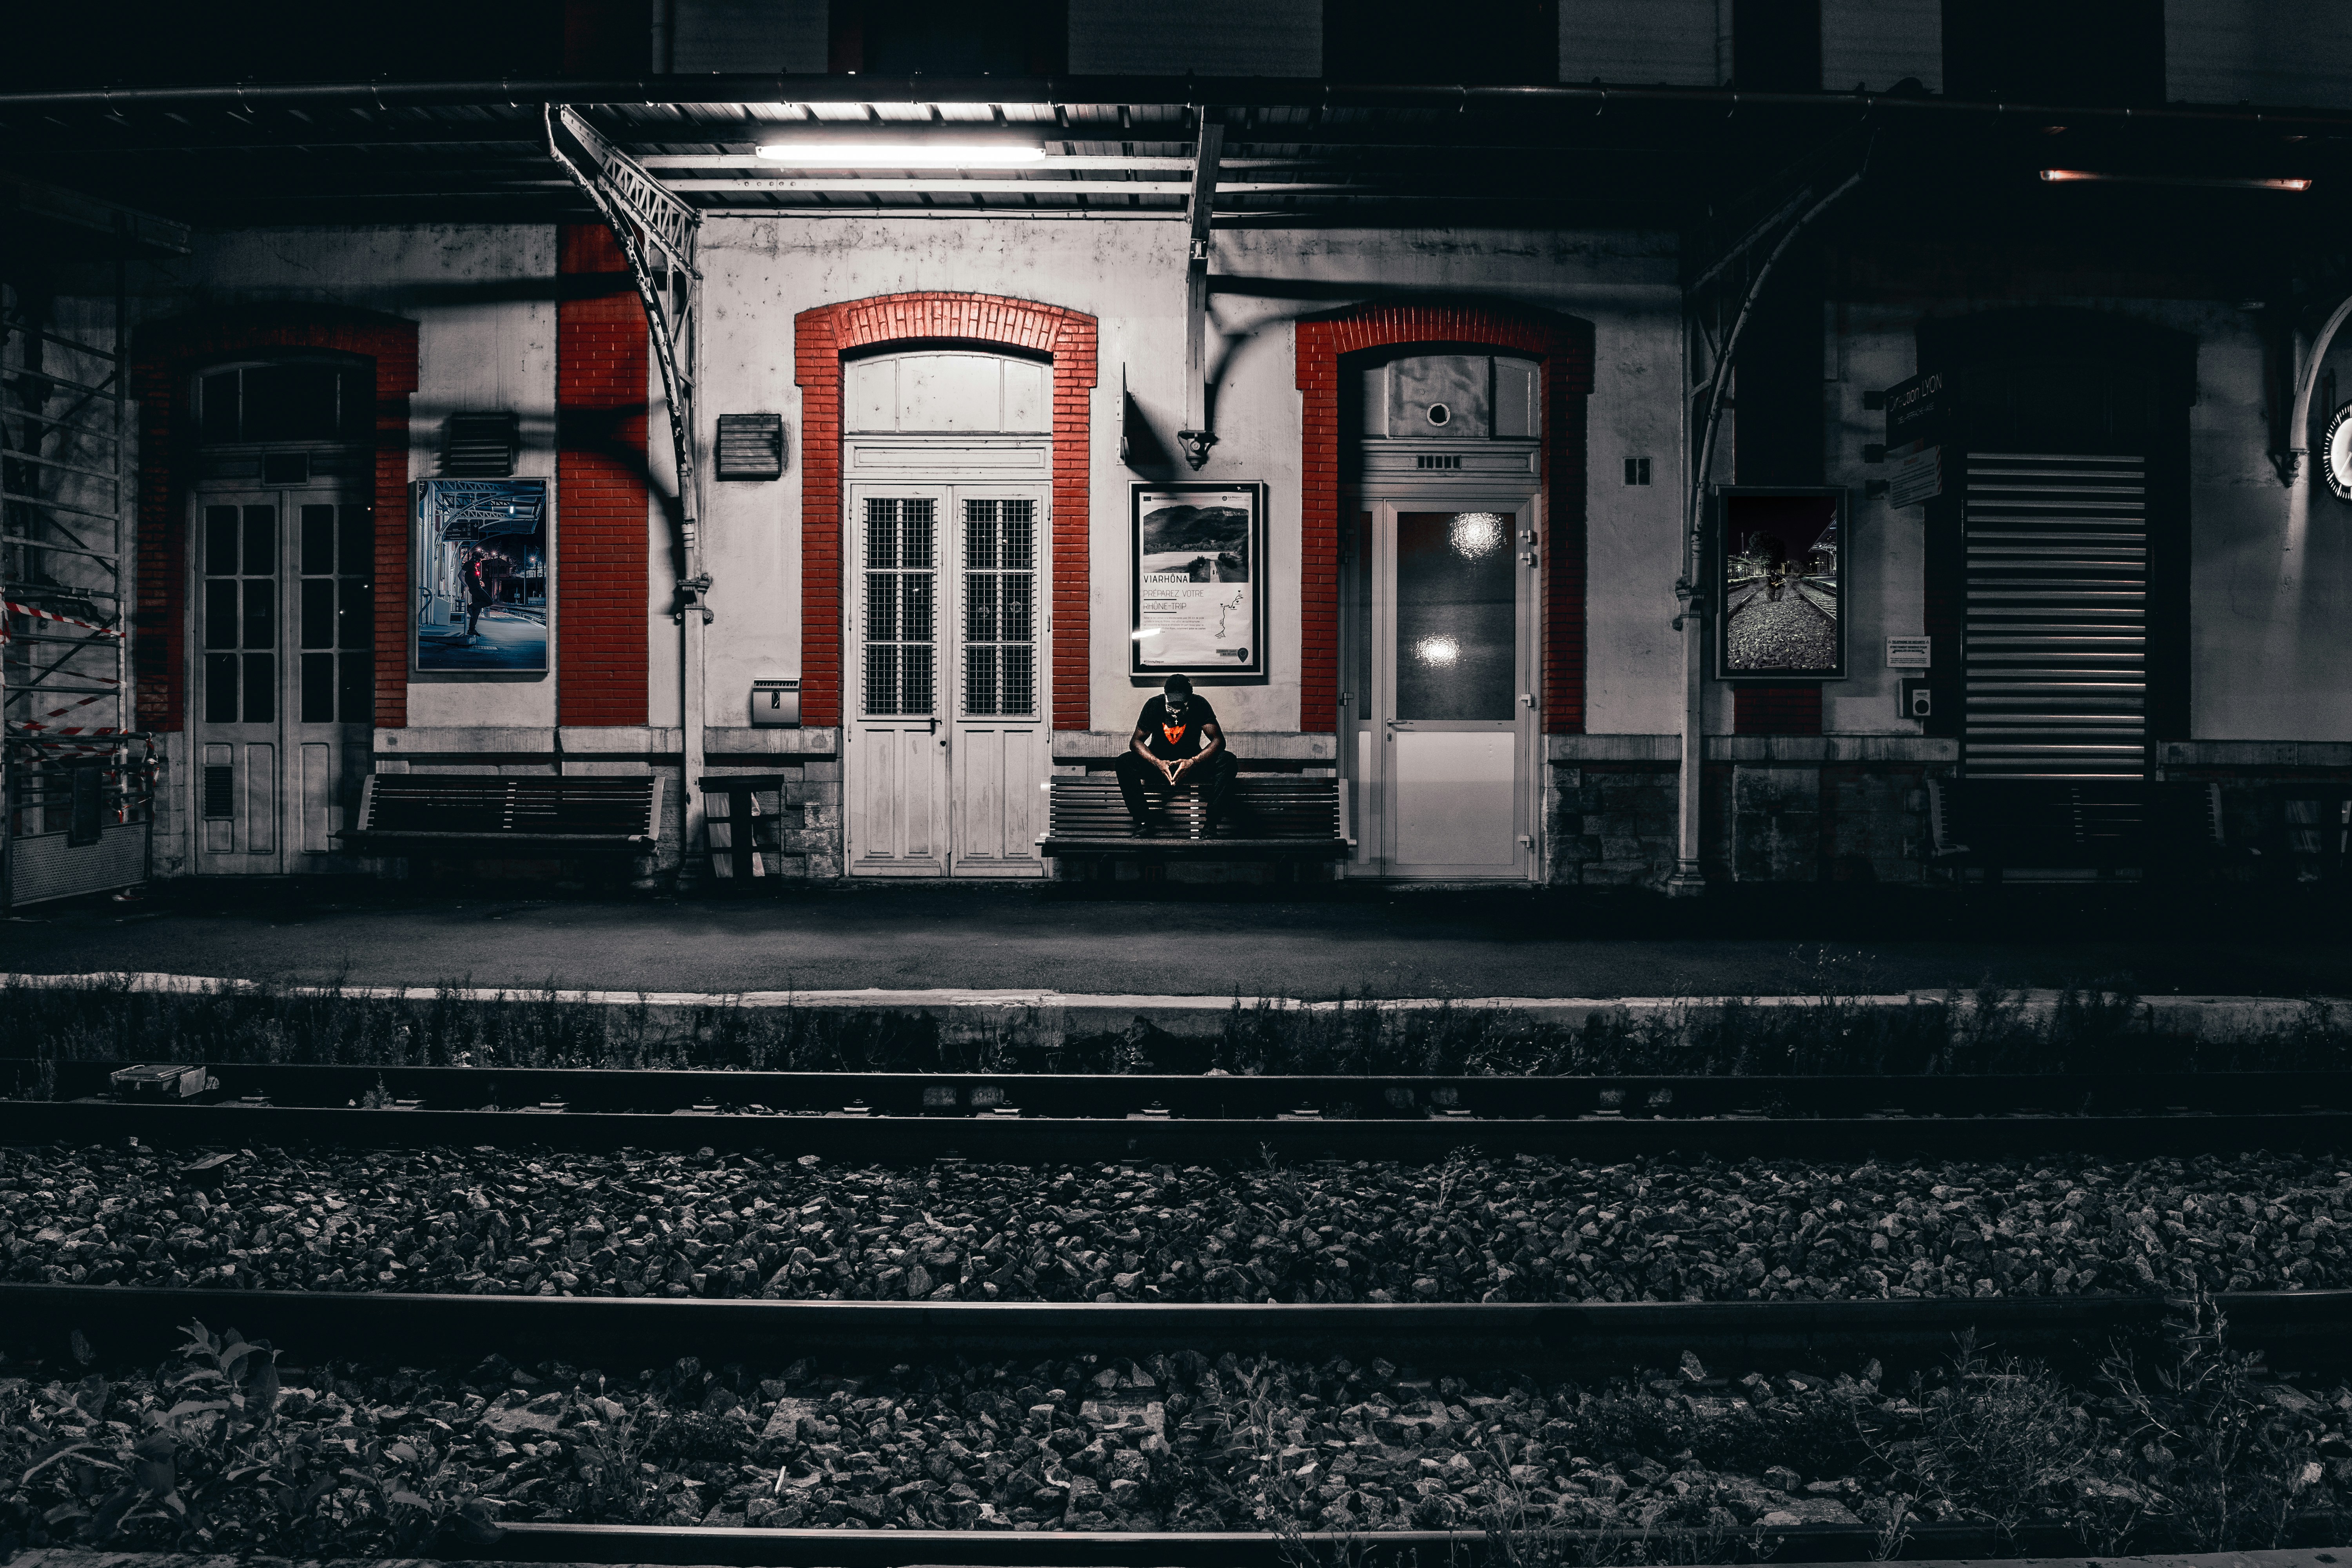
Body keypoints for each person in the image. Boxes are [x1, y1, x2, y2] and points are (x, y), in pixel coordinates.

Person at [1115, 673, 1239, 835]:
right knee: (1124, 762)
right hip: (1159, 767)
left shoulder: (1199, 704)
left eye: (1181, 701)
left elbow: (1218, 741)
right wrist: (1157, 762)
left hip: (1191, 767)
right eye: (1172, 700)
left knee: (1228, 760)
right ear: (1165, 694)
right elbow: (1136, 742)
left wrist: (1194, 762)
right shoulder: (1154, 705)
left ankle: (1211, 826)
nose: (1176, 706)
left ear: (1190, 695)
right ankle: (1143, 823)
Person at [461, 547, 497, 641]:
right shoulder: (469, 564)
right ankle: (471, 607)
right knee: (489, 601)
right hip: (476, 589)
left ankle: (471, 629)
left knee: (477, 611)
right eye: (479, 558)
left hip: (476, 588)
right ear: (475, 558)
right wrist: (466, 585)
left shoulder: (474, 565)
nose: (480, 560)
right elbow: (460, 575)